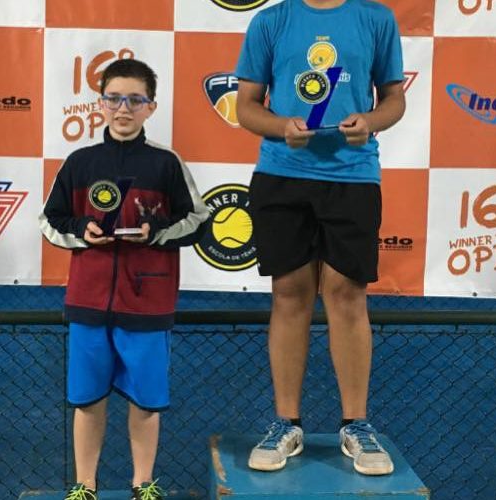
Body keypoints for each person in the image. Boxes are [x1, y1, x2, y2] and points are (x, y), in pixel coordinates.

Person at [235, 0, 405, 475]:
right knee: (289, 293)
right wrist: (279, 127)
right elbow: (246, 106)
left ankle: (356, 424)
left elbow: (394, 98)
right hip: (281, 174)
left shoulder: (376, 18)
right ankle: (286, 423)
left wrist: (371, 121)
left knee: (346, 293)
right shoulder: (271, 20)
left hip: (353, 177)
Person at [40, 58, 209, 500]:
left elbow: (198, 220)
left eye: (135, 100)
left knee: (146, 403)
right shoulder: (79, 162)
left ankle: (143, 484)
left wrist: (158, 232)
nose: (123, 108)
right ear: (100, 104)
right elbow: (49, 221)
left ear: (151, 107)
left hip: (147, 304)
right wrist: (82, 230)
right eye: (114, 98)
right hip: (88, 303)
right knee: (87, 401)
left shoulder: (166, 164)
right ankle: (84, 486)